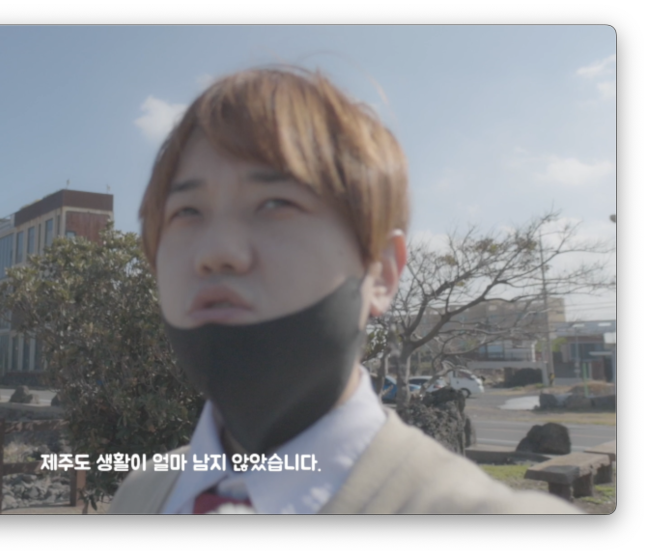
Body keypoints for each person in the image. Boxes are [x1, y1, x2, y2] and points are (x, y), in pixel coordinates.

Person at [107, 65, 582, 514]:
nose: (216, 251)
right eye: (187, 212)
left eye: (275, 203)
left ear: (382, 273)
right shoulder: (140, 493)